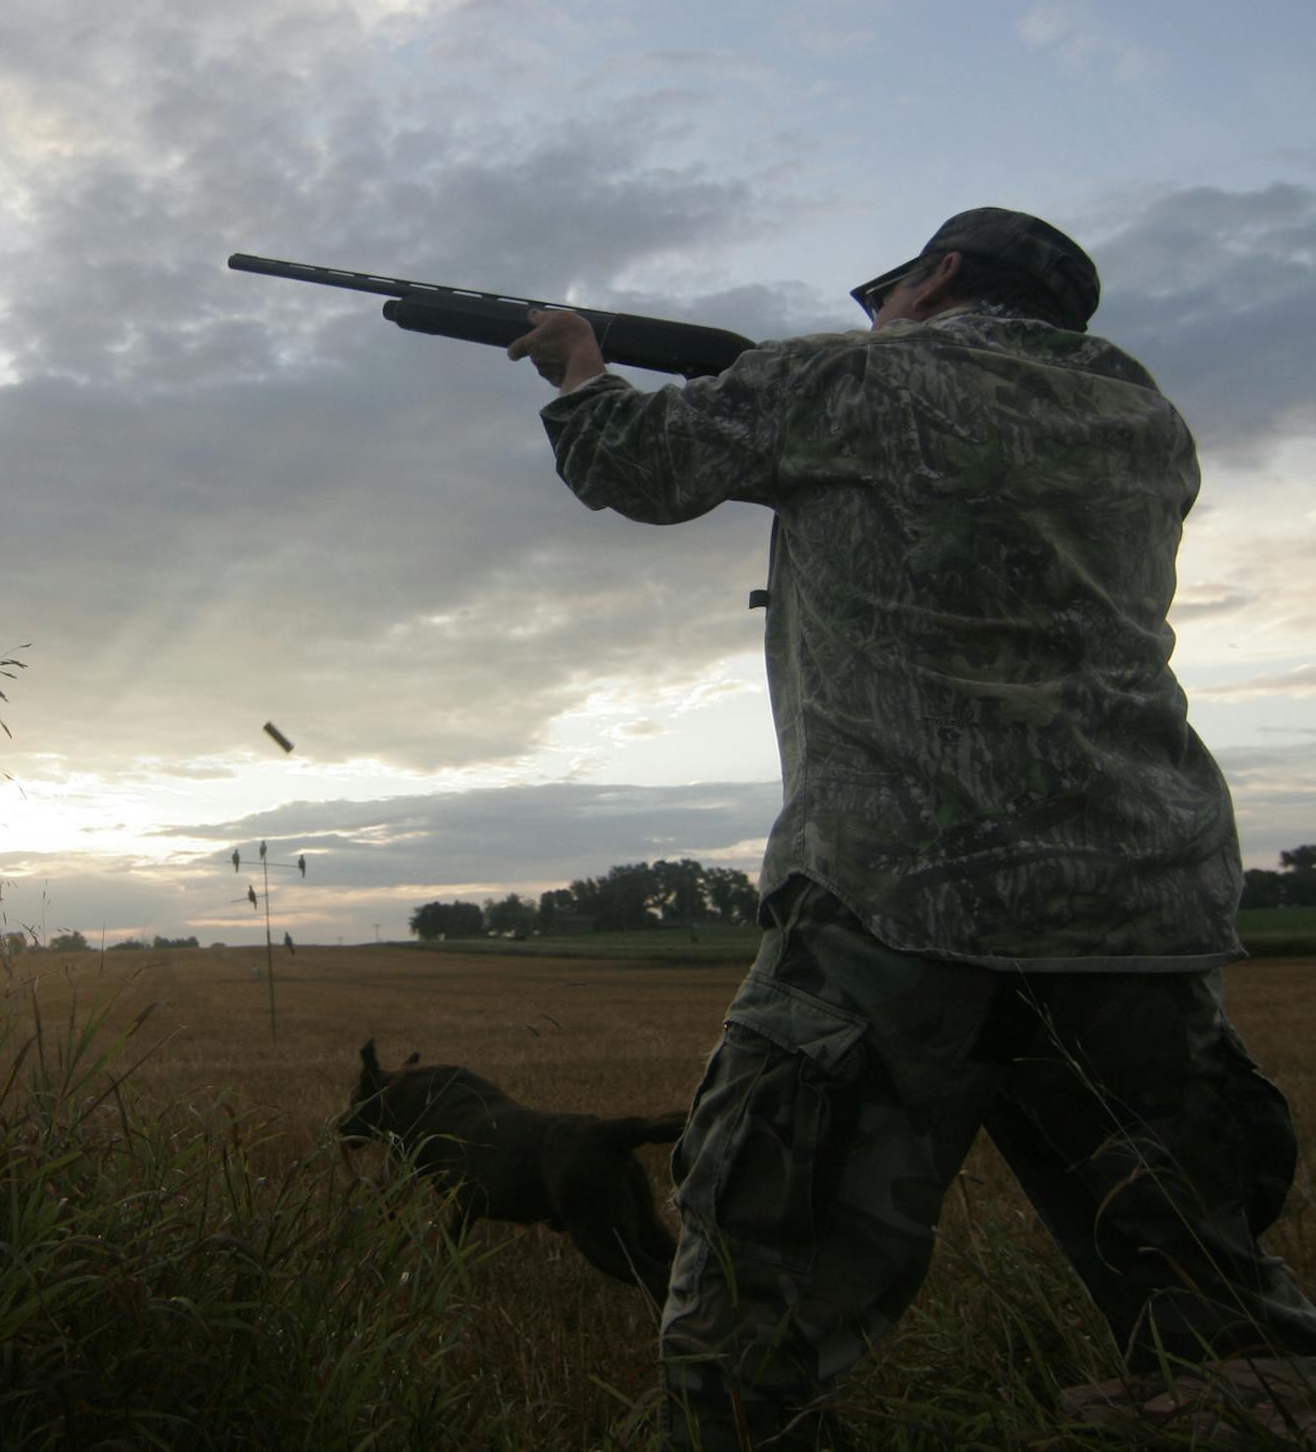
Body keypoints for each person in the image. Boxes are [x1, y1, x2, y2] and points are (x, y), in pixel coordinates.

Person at [508, 209, 1316, 1450]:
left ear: (935, 276)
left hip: (900, 905)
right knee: (1206, 1288)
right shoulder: (1148, 424)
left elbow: (639, 466)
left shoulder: (850, 376)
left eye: (891, 284)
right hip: (1138, 905)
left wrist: (577, 362)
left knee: (754, 1296)